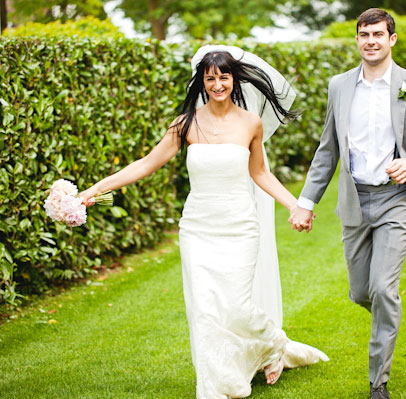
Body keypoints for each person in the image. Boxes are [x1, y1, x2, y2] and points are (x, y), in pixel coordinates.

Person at [80, 45, 327, 399]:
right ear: (202, 82)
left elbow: (259, 173)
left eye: (223, 77)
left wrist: (295, 206)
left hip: (240, 225)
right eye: (210, 78)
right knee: (206, 312)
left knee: (239, 307)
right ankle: (215, 388)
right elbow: (145, 164)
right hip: (197, 228)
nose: (217, 84)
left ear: (234, 79)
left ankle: (274, 345)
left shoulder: (250, 123)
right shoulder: (186, 124)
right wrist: (95, 189)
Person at [289, 8, 406, 399]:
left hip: (397, 199)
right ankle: (388, 313)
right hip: (354, 200)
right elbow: (327, 149)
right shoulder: (339, 86)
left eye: (378, 34)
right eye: (364, 34)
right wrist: (306, 202)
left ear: (392, 39)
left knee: (382, 289)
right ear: (357, 40)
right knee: (361, 292)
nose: (371, 41)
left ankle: (378, 382)